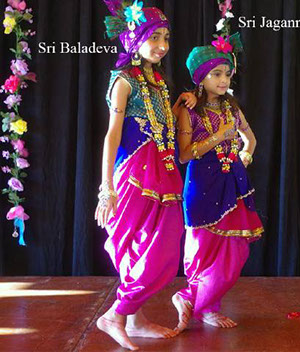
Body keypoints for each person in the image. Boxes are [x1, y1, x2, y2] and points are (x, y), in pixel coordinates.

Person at [94, 1, 196, 349]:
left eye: (166, 37)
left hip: (165, 172)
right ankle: (116, 316)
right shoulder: (123, 81)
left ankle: (134, 318)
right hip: (134, 174)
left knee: (164, 252)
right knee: (140, 252)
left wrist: (183, 101)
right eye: (154, 37)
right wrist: (106, 189)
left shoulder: (158, 83)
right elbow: (113, 135)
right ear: (133, 39)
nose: (162, 45)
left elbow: (162, 122)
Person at [172, 33, 264, 331]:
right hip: (201, 184)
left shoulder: (231, 108)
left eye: (227, 73)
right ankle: (203, 305)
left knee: (236, 250)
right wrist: (218, 138)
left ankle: (194, 300)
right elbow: (185, 156)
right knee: (202, 249)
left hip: (233, 184)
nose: (224, 80)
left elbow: (249, 138)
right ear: (201, 77)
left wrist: (245, 155)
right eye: (216, 74)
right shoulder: (189, 111)